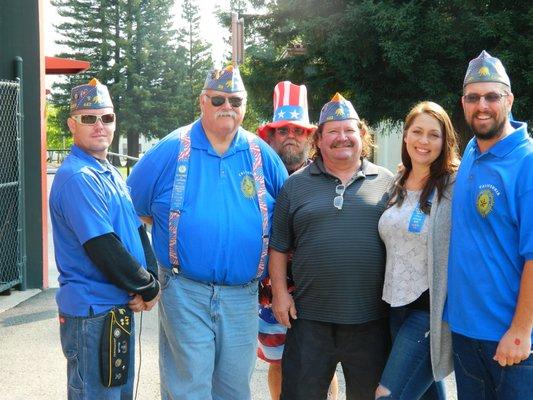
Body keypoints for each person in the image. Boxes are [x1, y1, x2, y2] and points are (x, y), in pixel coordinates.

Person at [126, 65, 288, 400]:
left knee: (234, 389)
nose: (226, 106)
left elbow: (287, 219)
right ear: (202, 101)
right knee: (189, 388)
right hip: (184, 291)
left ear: (244, 104)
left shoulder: (262, 155)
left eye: (234, 100)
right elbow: (132, 211)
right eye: (217, 99)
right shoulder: (172, 148)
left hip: (243, 296)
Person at [269, 93, 394, 400]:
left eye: (349, 131)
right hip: (309, 320)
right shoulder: (295, 185)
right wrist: (280, 295)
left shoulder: (389, 183)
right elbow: (279, 247)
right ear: (320, 140)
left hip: (370, 320)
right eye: (333, 132)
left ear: (362, 136)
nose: (342, 138)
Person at [49, 78, 160, 400]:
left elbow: (136, 229)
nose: (99, 125)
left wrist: (149, 279)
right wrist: (148, 286)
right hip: (92, 313)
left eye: (107, 118)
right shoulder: (78, 178)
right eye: (89, 118)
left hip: (115, 308)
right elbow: (103, 247)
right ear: (72, 124)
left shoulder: (108, 171)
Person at [445, 50, 533, 399]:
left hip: (509, 339)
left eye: (492, 96)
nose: (482, 105)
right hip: (466, 332)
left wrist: (522, 329)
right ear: (463, 103)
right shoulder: (470, 150)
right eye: (473, 97)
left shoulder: (526, 163)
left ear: (509, 100)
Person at [257, 81, 338, 400]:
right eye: (282, 129)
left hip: (318, 291)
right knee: (278, 363)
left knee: (324, 365)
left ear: (310, 136)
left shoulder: (330, 176)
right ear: (271, 135)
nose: (290, 135)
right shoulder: (256, 175)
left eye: (298, 130)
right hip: (270, 293)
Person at [374, 101, 459, 400]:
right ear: (406, 136)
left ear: (444, 141)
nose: (424, 141)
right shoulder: (394, 183)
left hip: (430, 312)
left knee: (388, 394)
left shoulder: (453, 186)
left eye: (433, 135)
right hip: (395, 307)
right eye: (417, 132)